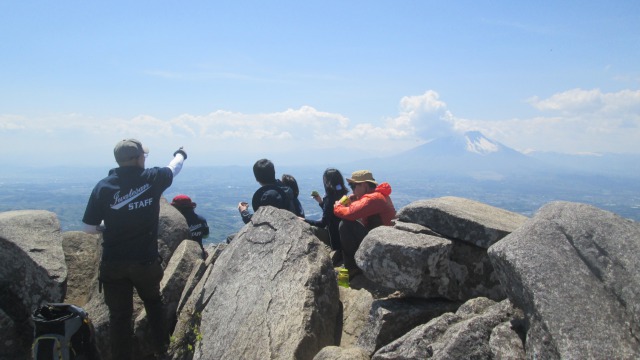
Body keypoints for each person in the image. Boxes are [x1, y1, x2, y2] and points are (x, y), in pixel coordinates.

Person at [81, 139, 187, 360]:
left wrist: (108, 226)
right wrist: (180, 154)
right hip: (145, 262)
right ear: (138, 158)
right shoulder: (152, 179)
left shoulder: (103, 186)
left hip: (114, 263)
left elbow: (89, 229)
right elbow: (173, 168)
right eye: (143, 156)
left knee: (119, 317)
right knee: (153, 304)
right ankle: (161, 349)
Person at [333, 170, 396, 279]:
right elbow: (360, 209)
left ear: (364, 185)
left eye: (353, 186)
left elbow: (350, 214)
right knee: (348, 223)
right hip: (382, 238)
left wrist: (338, 206)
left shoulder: (374, 198)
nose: (352, 190)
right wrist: (353, 201)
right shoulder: (378, 196)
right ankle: (350, 266)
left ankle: (351, 268)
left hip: (381, 243)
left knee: (345, 224)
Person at [305, 168, 348, 265]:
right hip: (344, 237)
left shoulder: (329, 199)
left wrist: (304, 220)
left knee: (311, 229)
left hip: (335, 240)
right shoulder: (343, 195)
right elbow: (333, 214)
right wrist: (321, 202)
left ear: (327, 182)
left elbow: (322, 223)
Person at [237, 158, 297, 224]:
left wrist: (243, 211)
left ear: (256, 179)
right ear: (274, 172)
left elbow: (259, 222)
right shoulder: (287, 189)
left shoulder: (269, 196)